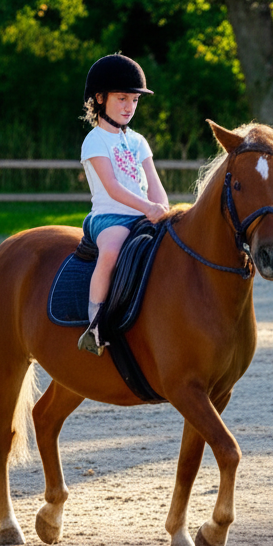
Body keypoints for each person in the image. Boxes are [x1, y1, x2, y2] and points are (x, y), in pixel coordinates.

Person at [77, 53, 169, 355]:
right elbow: (113, 188)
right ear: (100, 99)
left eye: (134, 101)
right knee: (113, 250)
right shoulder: (95, 140)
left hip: (143, 214)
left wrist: (164, 209)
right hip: (109, 217)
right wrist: (147, 208)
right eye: (122, 99)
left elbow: (154, 184)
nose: (129, 107)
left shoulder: (139, 141)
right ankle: (95, 322)